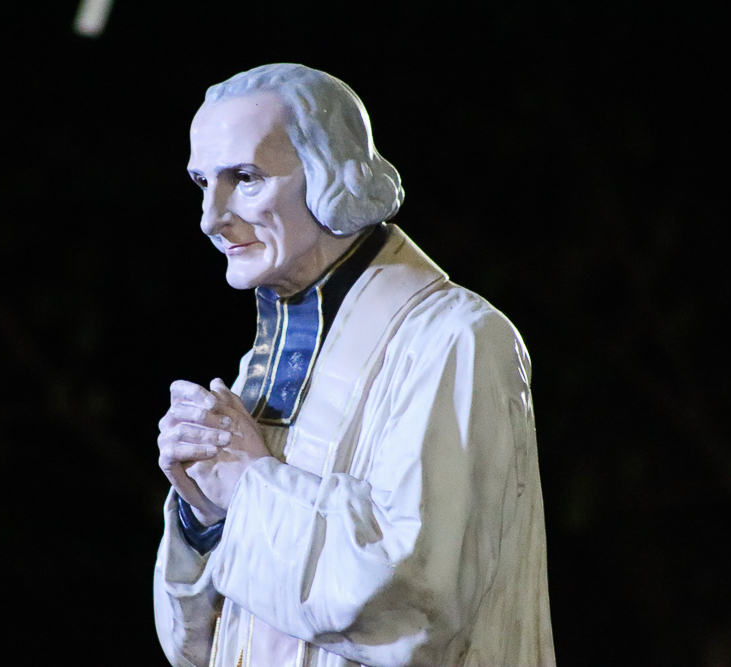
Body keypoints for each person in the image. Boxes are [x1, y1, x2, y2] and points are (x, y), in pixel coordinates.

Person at [153, 63, 555, 667]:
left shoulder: (456, 339)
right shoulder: (263, 364)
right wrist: (205, 516)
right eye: (202, 182)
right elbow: (199, 647)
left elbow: (413, 605)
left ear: (331, 176)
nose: (211, 217)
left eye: (246, 178)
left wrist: (247, 485)